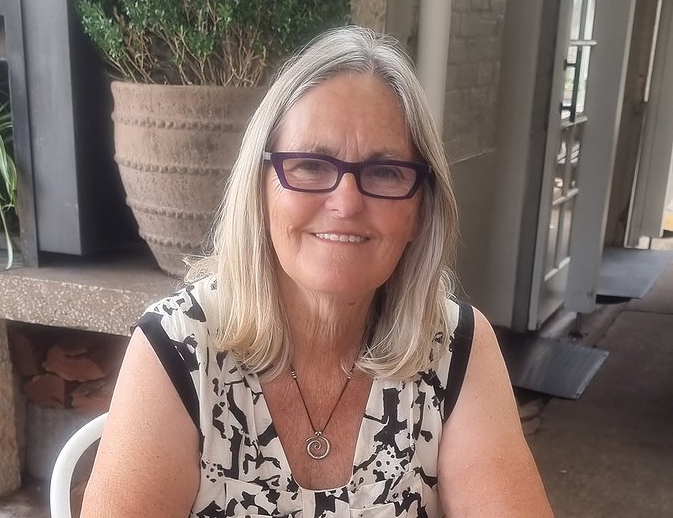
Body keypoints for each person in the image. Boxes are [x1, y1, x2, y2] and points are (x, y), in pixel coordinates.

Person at [81, 26, 553, 517]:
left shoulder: (454, 346)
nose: (346, 203)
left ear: (421, 211)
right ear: (260, 190)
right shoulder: (177, 346)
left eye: (385, 172)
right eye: (310, 165)